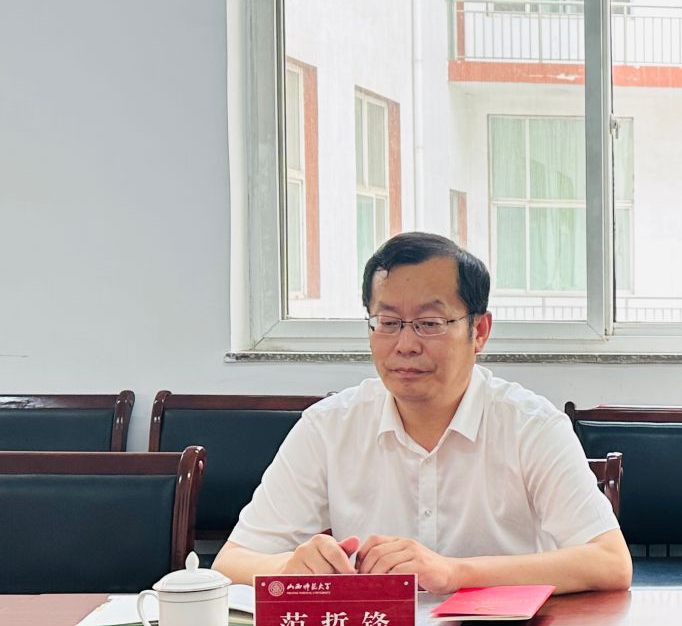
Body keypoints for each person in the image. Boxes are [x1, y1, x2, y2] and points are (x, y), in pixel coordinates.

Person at [214, 232, 631, 595]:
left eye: (429, 323)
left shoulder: (531, 426)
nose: (406, 345)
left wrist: (454, 573)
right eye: (388, 322)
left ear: (479, 331)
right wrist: (290, 567)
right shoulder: (328, 427)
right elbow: (231, 563)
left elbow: (610, 563)